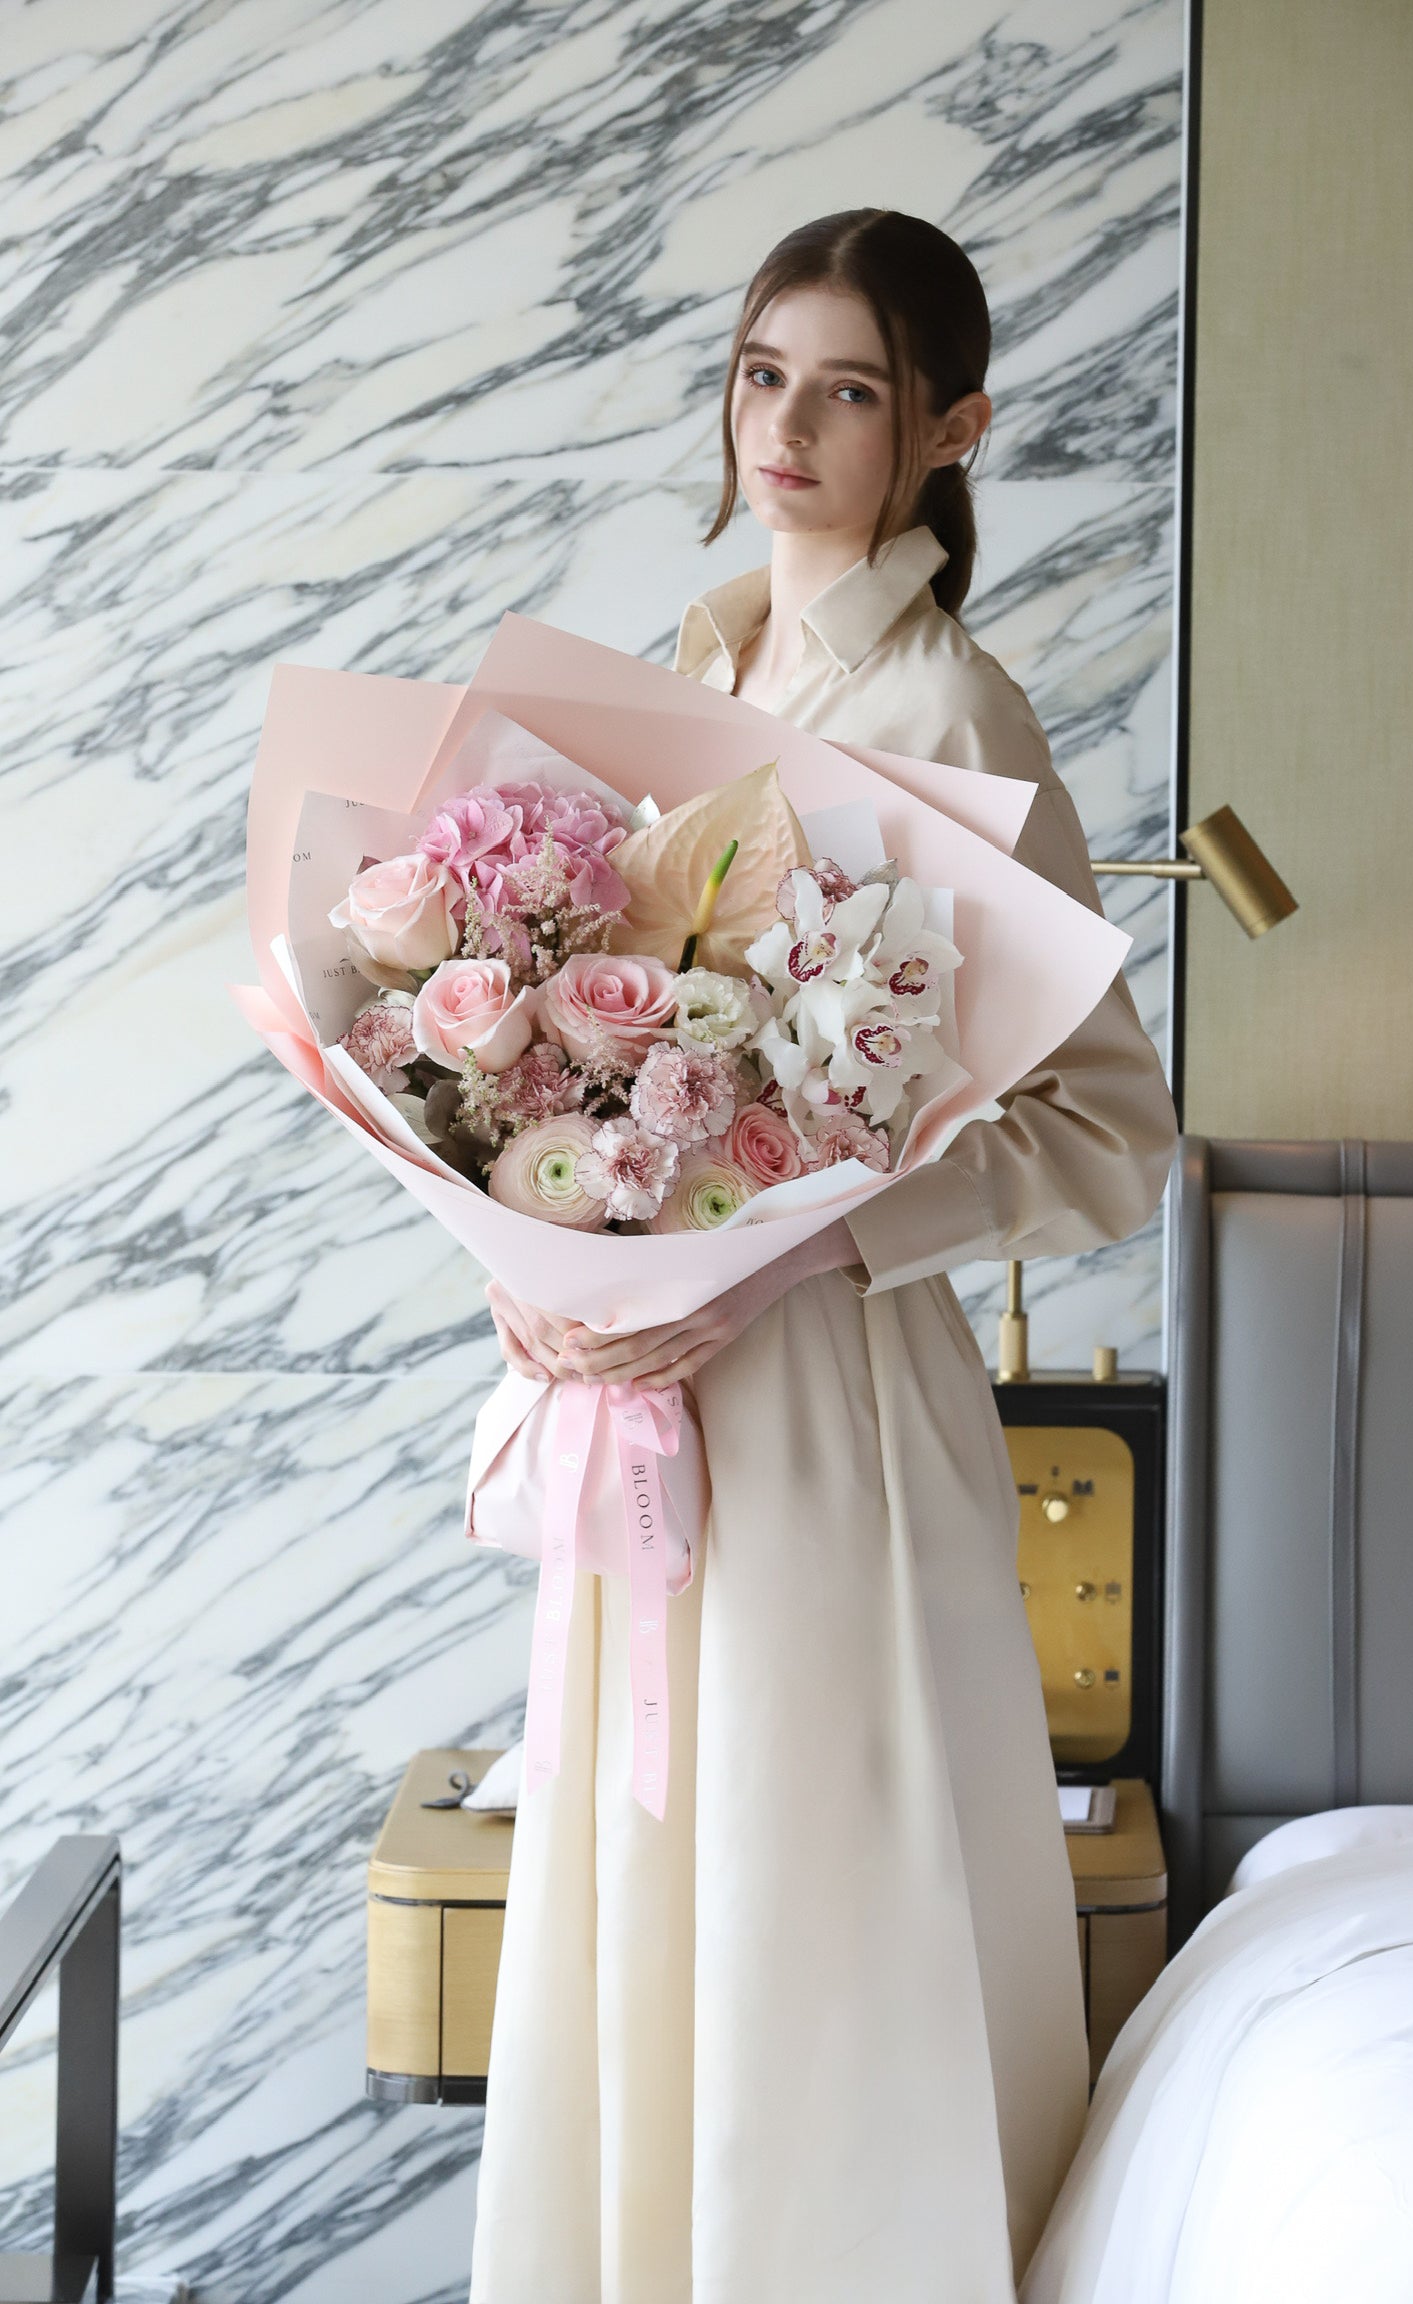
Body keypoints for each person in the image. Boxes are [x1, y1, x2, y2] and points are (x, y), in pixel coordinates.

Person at [471, 209, 1177, 2304]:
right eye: (763, 371)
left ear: (950, 429)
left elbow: (1110, 1127)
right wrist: (552, 1256)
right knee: (651, 1886)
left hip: (835, 1410)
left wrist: (790, 1255)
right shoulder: (701, 664)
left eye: (849, 389)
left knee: (807, 1901)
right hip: (653, 1400)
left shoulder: (957, 709)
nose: (787, 424)